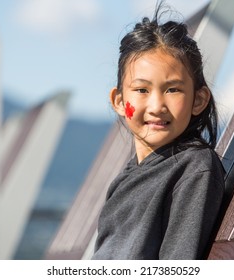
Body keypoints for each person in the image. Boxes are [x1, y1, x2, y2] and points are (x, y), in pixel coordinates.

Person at [92, 2, 225, 260]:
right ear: (119, 101)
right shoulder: (124, 179)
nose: (156, 106)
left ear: (198, 100)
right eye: (141, 90)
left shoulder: (194, 168)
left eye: (172, 89)